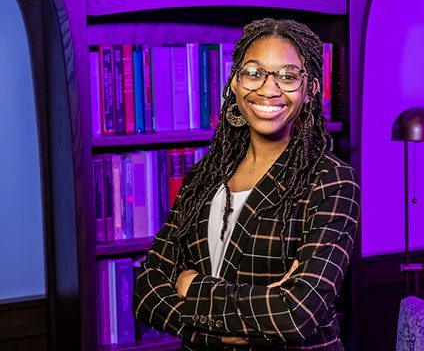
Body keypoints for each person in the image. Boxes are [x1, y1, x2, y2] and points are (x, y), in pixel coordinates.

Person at [133, 18, 361, 350]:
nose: (268, 89)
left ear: (310, 89)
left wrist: (192, 285)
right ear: (235, 84)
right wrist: (217, 331)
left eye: (287, 76)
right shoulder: (203, 178)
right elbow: (146, 293)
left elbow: (298, 314)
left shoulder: (330, 181)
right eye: (254, 73)